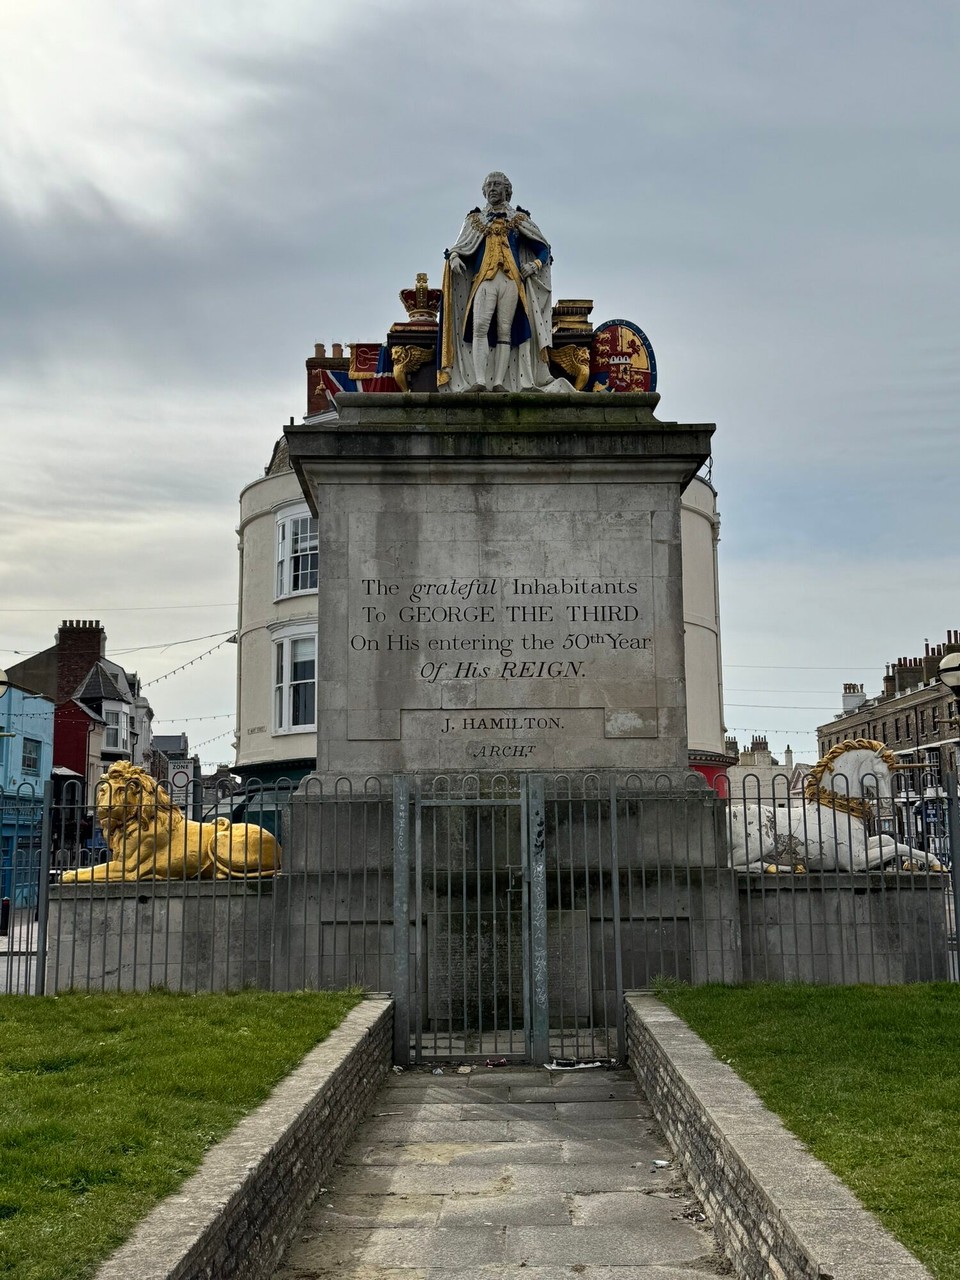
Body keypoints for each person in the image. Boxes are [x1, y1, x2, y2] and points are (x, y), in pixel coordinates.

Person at [438, 172, 572, 393]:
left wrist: (535, 265)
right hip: (484, 280)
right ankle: (480, 381)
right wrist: (453, 258)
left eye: (497, 185)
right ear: (484, 191)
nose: (492, 188)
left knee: (505, 331)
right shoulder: (474, 220)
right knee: (480, 327)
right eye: (489, 185)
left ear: (507, 191)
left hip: (511, 281)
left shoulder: (518, 219)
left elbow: (543, 248)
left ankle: (499, 382)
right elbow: (460, 247)